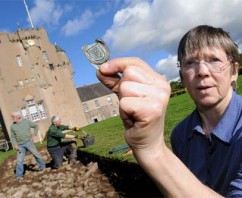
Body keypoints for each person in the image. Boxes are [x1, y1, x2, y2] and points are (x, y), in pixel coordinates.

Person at [96, 25, 242, 197]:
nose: (202, 71)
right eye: (190, 62)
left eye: (214, 60)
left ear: (233, 71)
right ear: (182, 77)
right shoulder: (179, 134)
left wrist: (153, 150)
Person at [10, 111, 46, 179]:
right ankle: (19, 175)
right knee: (19, 160)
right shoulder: (12, 126)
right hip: (20, 145)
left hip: (28, 142)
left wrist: (34, 135)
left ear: (18, 117)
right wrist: (15, 144)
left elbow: (36, 126)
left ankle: (43, 167)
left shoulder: (26, 122)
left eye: (13, 116)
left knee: (36, 155)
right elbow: (12, 137)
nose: (12, 118)